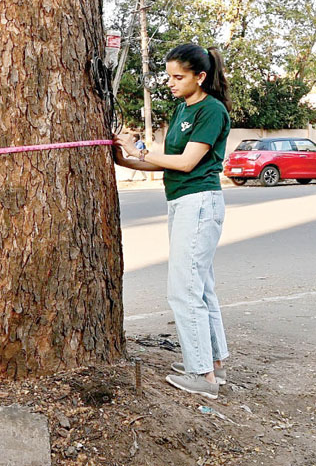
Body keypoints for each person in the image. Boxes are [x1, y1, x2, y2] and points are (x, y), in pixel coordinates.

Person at [113, 44, 231, 399]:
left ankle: (202, 376)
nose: (171, 82)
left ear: (201, 77)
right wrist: (126, 160)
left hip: (199, 203)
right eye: (169, 76)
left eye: (178, 77)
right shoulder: (183, 108)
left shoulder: (211, 111)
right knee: (201, 288)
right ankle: (214, 364)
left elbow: (186, 163)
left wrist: (140, 151)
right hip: (182, 202)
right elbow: (166, 161)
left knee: (183, 290)